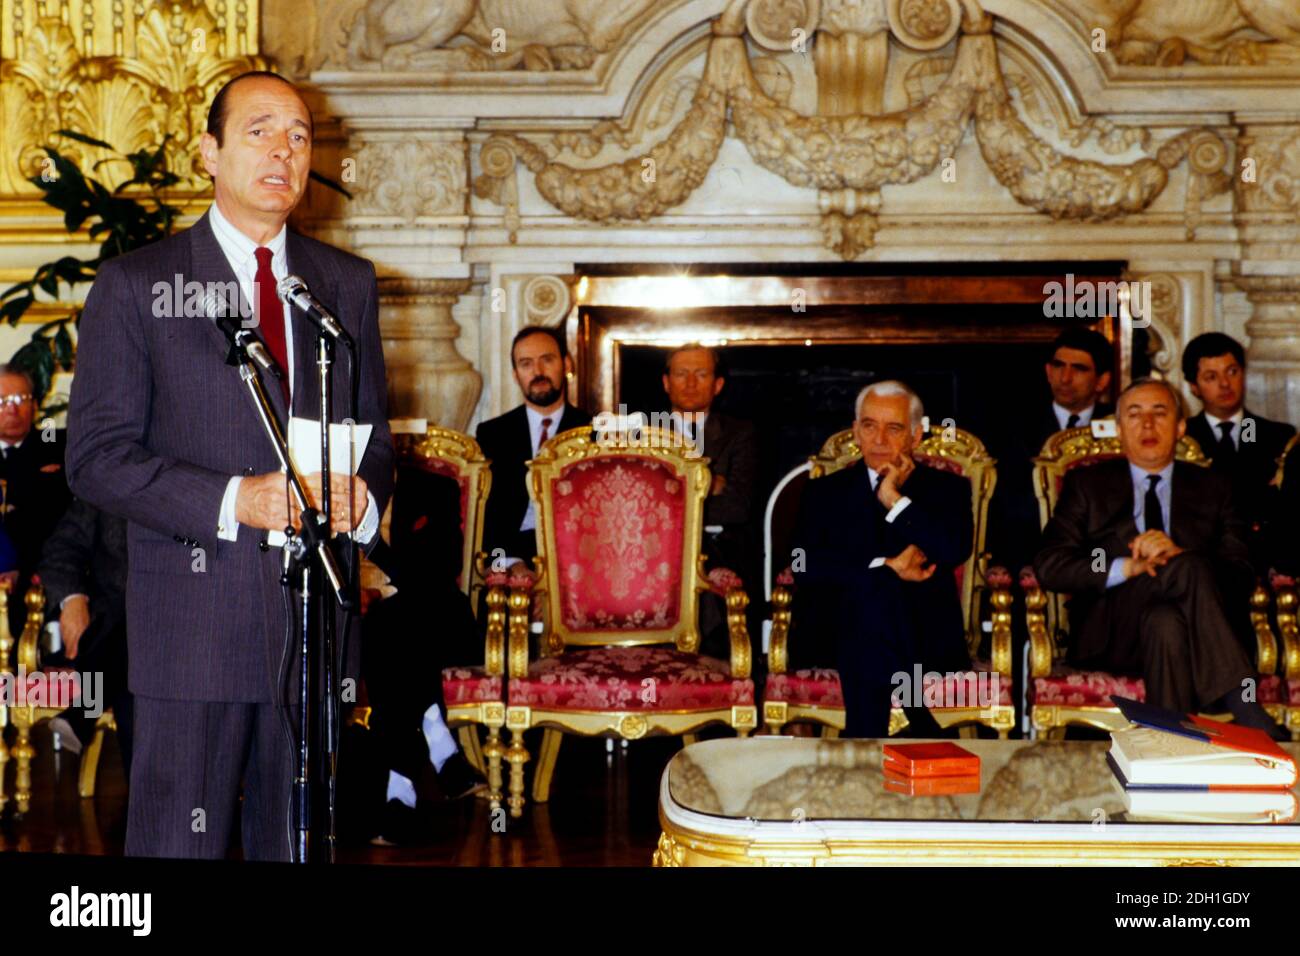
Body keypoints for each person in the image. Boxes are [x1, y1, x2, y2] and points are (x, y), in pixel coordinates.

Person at [65, 71, 395, 859]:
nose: (285, 149)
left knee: (297, 847)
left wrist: (365, 503)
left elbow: (376, 440)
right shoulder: (138, 285)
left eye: (300, 135)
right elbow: (96, 459)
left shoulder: (344, 284)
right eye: (260, 130)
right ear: (208, 151)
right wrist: (231, 500)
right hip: (192, 631)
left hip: (313, 629)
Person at [1033, 378, 1286, 738]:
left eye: (1159, 413)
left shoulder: (1215, 487)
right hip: (1112, 633)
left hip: (1190, 636)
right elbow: (1050, 565)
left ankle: (1172, 747)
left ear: (1181, 427)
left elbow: (1242, 571)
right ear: (1119, 429)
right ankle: (1241, 700)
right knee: (1183, 575)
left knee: (1165, 620)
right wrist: (1124, 566)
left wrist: (1182, 557)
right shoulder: (1087, 485)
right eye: (1134, 416)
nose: (1147, 425)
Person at [789, 380, 972, 738]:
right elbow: (801, 564)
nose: (879, 439)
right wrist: (884, 568)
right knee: (877, 589)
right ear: (855, 430)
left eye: (894, 428)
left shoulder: (948, 489)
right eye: (869, 426)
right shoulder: (822, 492)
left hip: (924, 638)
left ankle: (863, 735)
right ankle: (915, 718)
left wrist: (894, 501)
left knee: (880, 596)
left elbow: (953, 550)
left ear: (916, 436)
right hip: (835, 636)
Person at [358, 463, 485, 845]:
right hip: (387, 627)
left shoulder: (434, 488)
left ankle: (401, 791)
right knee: (388, 628)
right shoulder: (336, 491)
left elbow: (442, 564)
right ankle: (438, 743)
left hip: (442, 618)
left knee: (397, 620)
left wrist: (375, 556)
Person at [988, 327, 1116, 575]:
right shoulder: (1014, 427)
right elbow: (1004, 506)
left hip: (1101, 554)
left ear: (1102, 380)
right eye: (1059, 366)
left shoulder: (1118, 429)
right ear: (1048, 371)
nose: (1065, 378)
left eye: (1079, 369)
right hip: (1031, 554)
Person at [660, 344, 759, 658]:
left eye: (701, 374)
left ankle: (714, 671)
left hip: (720, 548)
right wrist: (706, 486)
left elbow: (738, 507)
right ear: (666, 383)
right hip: (655, 550)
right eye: (681, 374)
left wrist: (672, 496)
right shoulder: (643, 434)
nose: (690, 383)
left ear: (717, 385)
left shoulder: (742, 433)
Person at [476, 325, 590, 566]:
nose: (537, 371)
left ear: (567, 364)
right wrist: (507, 563)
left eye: (547, 360)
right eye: (526, 364)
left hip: (577, 557)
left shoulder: (593, 431)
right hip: (510, 554)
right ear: (516, 374)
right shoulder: (492, 434)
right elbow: (487, 518)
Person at [1181, 332, 1294, 570]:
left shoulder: (1278, 437)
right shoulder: (1182, 439)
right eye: (1211, 377)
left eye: (1232, 372)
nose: (1225, 384)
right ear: (1194, 387)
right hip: (1202, 561)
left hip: (1265, 560)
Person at [38, 498, 133, 772]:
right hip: (109, 638)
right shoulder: (106, 484)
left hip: (180, 630)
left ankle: (82, 713)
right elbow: (60, 549)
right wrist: (73, 599)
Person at [0, 365, 72, 634]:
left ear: (35, 405)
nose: (12, 409)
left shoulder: (56, 445)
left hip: (41, 575)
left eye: (21, 399)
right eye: (2, 401)